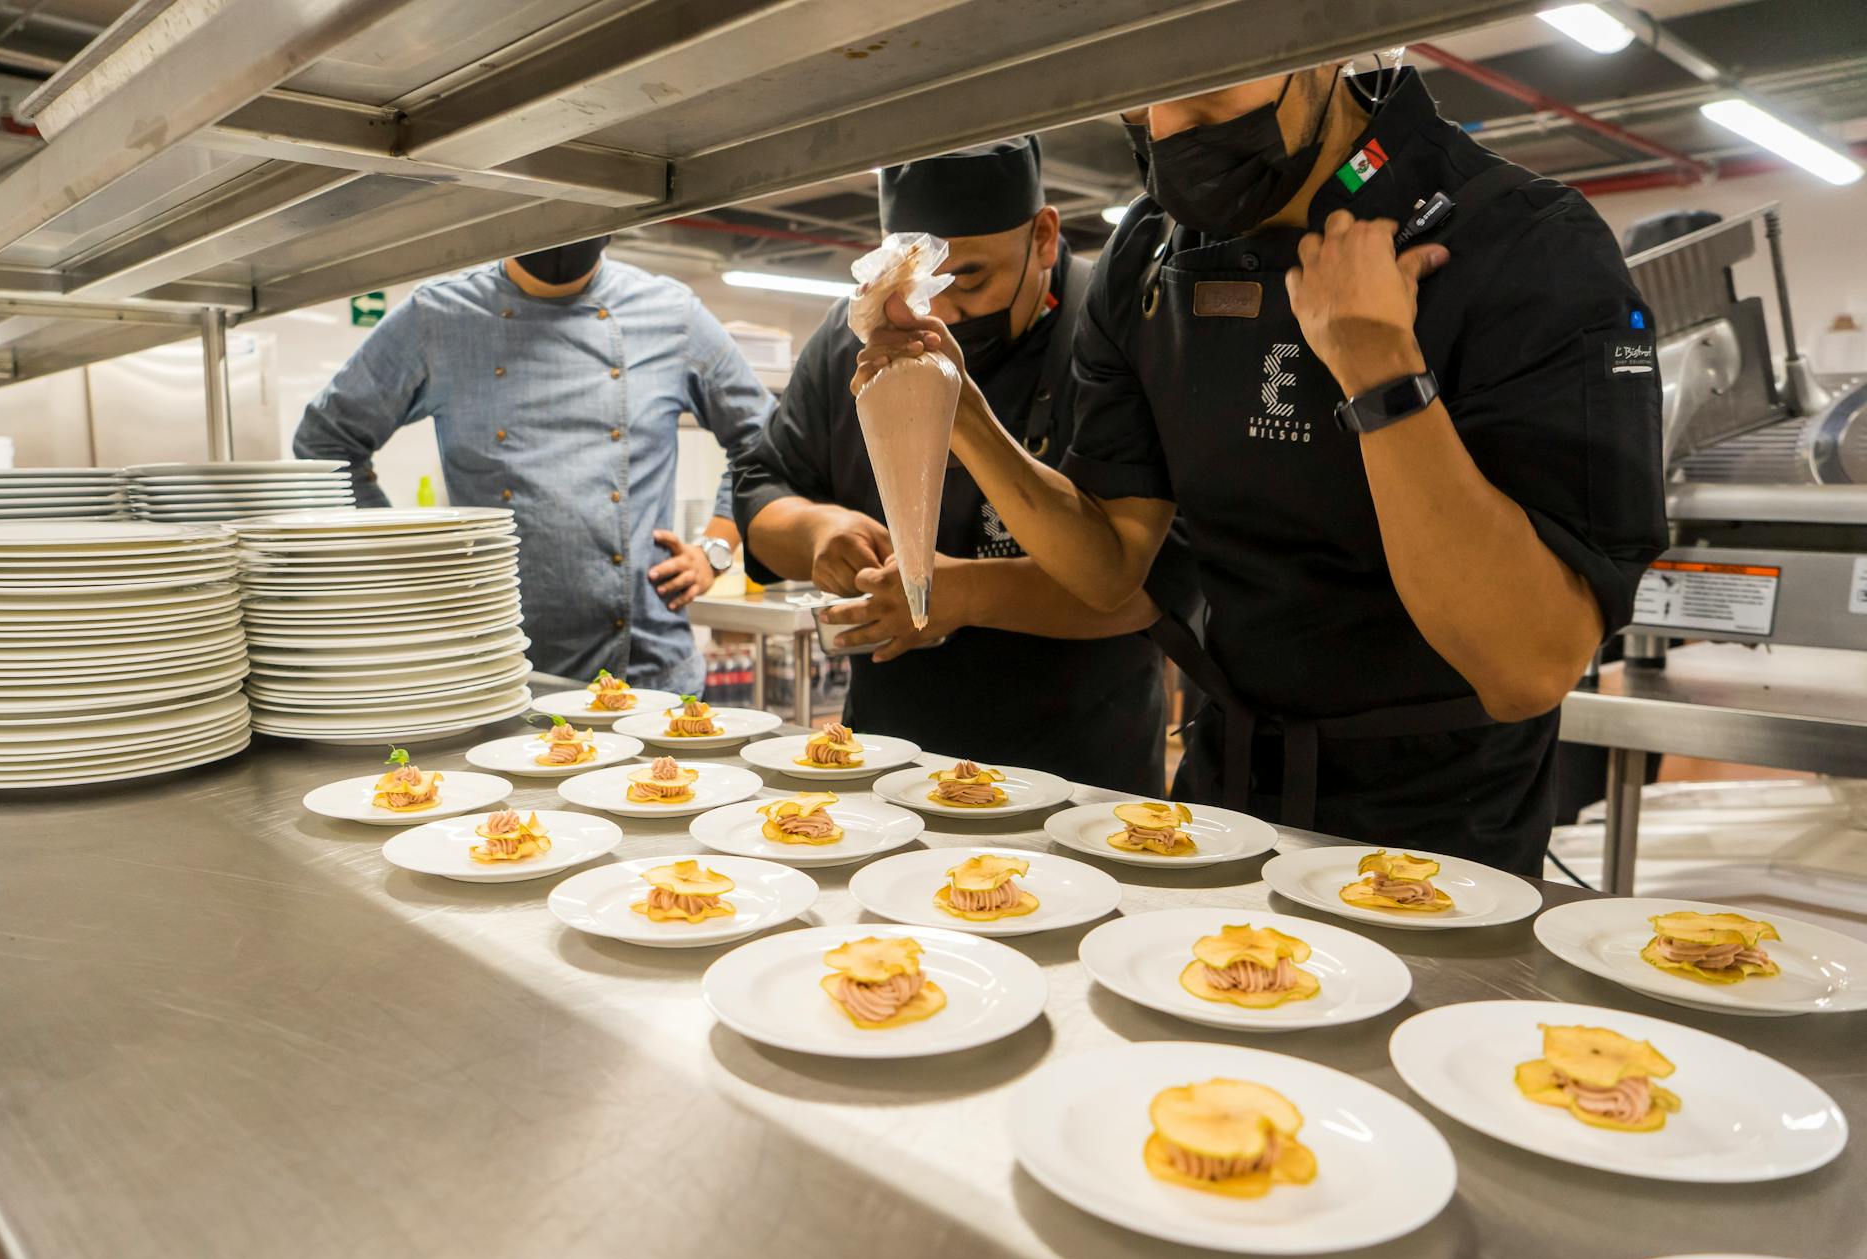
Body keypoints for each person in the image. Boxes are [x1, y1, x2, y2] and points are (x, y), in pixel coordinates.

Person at [855, 62, 1666, 874]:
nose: (1167, 126)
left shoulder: (1523, 244)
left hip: (1440, 829)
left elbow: (1529, 666)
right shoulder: (1149, 258)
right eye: (1140, 94)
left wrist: (1381, 375)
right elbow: (1108, 568)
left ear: (1319, 43)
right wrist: (961, 413)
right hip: (1225, 798)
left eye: (1207, 81)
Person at [733, 138, 1196, 794]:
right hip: (894, 765)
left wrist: (962, 593)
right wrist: (817, 534)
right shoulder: (856, 337)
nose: (940, 314)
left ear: (1043, 236)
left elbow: (1151, 581)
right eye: (918, 283)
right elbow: (759, 492)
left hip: (1078, 773)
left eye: (971, 278)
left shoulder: (1113, 329)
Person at [293, 236, 773, 694]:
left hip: (648, 671)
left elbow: (764, 438)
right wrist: (407, 559)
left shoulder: (671, 313)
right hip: (499, 668)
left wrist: (716, 547)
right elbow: (326, 441)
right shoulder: (437, 317)